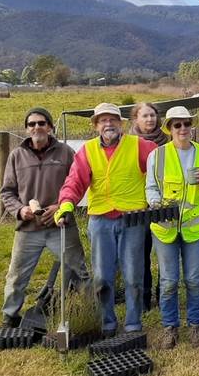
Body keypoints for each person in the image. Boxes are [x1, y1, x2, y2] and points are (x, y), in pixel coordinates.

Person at [54, 103, 158, 336]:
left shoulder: (141, 146)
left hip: (133, 218)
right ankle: (107, 322)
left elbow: (161, 167)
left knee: (133, 275)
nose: (108, 124)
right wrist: (66, 204)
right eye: (102, 120)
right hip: (100, 220)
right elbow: (75, 182)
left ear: (121, 123)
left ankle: (133, 323)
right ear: (95, 125)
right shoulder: (87, 151)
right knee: (102, 276)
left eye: (113, 119)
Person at [0, 107, 90, 327]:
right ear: (26, 129)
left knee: (80, 272)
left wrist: (60, 207)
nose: (37, 127)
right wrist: (21, 210)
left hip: (60, 225)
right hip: (28, 228)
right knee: (17, 276)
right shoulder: (16, 156)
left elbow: (79, 186)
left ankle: (89, 311)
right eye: (32, 124)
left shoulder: (66, 153)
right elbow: (6, 192)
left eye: (42, 123)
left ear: (50, 127)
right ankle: (10, 317)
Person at [145, 106, 199, 349]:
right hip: (165, 228)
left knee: (193, 278)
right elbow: (151, 188)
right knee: (168, 280)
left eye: (186, 124)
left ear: (191, 126)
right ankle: (170, 327)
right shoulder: (157, 156)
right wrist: (156, 203)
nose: (183, 129)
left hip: (195, 228)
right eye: (177, 125)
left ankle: (195, 326)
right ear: (169, 128)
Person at [129, 102, 170, 312]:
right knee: (141, 253)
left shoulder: (168, 141)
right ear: (135, 119)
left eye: (152, 115)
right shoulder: (128, 144)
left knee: (165, 252)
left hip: (164, 204)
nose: (149, 120)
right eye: (144, 116)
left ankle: (163, 294)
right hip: (140, 206)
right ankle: (144, 298)